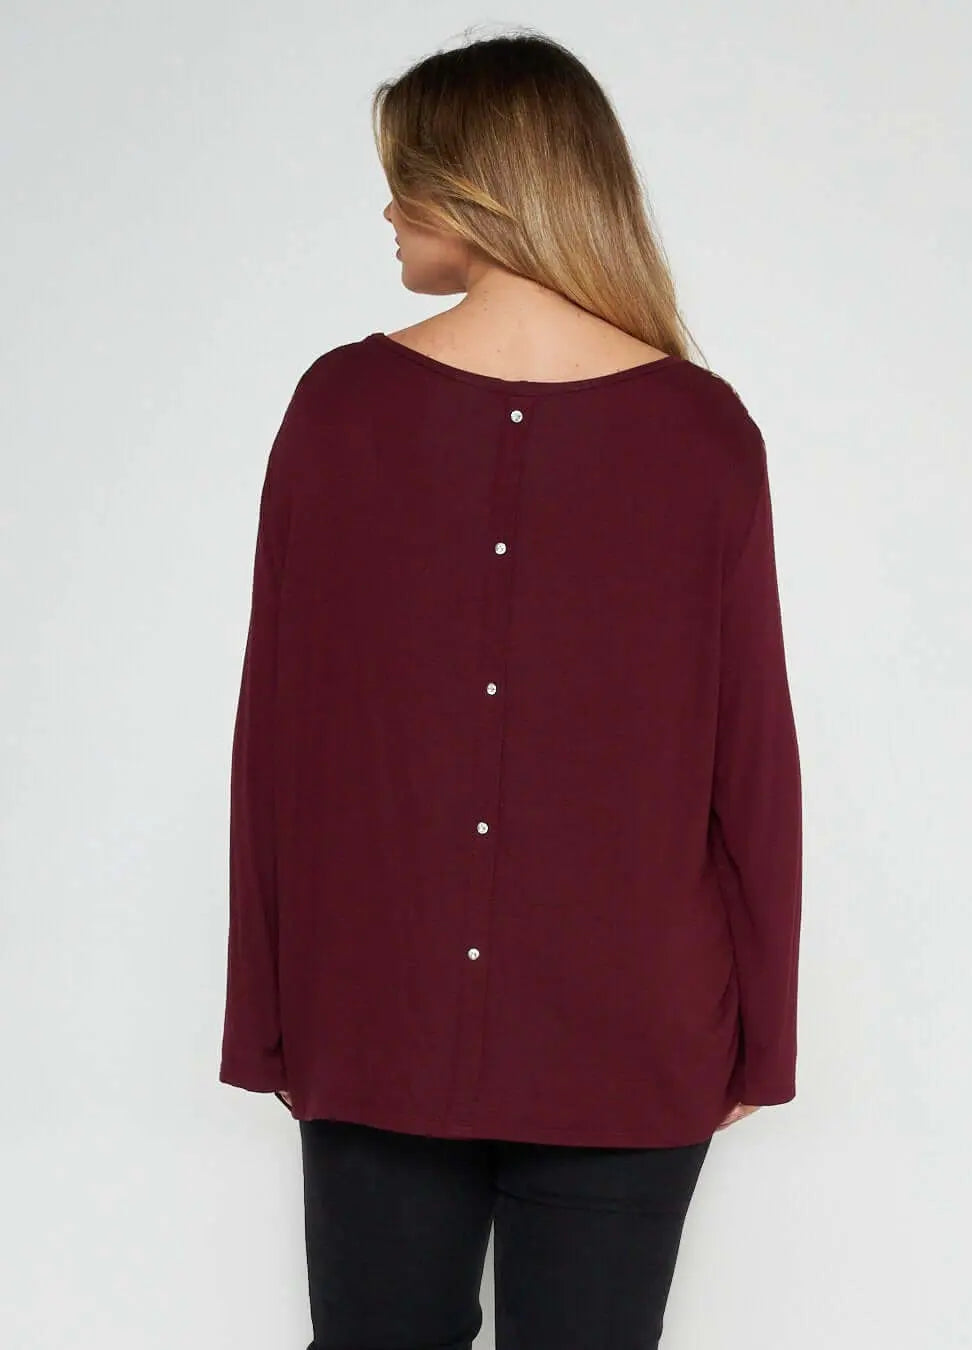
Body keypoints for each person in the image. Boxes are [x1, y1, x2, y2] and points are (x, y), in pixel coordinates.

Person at [219, 28, 803, 1350]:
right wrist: (761, 1035)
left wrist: (273, 1018)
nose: (386, 210)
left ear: (477, 187)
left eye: (405, 177)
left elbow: (279, 745)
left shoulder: (342, 405)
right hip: (636, 1026)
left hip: (378, 1014)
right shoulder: (704, 428)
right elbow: (752, 759)